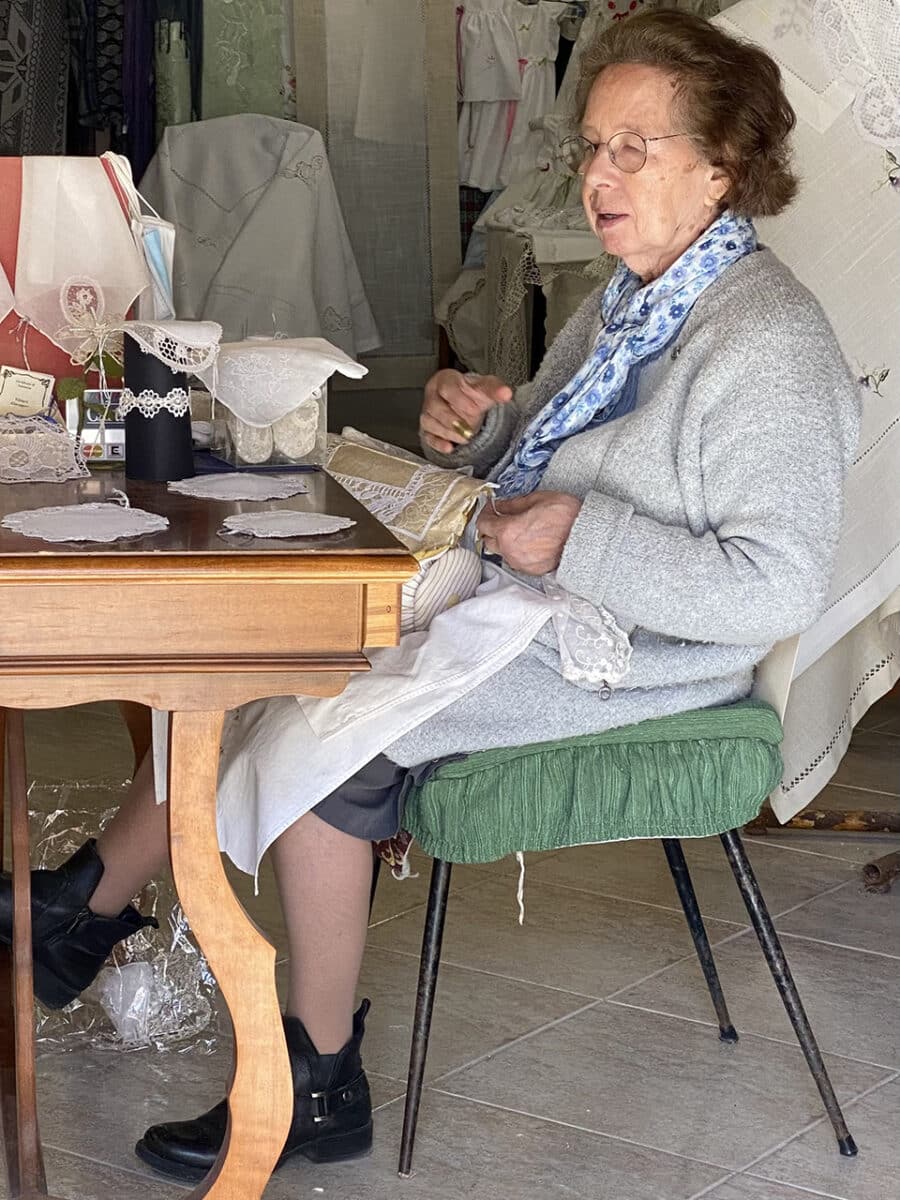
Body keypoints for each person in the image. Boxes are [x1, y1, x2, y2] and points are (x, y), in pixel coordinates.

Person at [0, 8, 860, 1184]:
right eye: (593, 147)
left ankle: (316, 1073)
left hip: (647, 649)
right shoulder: (634, 299)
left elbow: (772, 584)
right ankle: (79, 912)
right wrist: (491, 429)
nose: (598, 177)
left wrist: (580, 534)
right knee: (277, 641)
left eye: (634, 149)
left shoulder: (769, 343)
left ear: (725, 166)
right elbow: (554, 465)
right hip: (553, 599)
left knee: (332, 724)